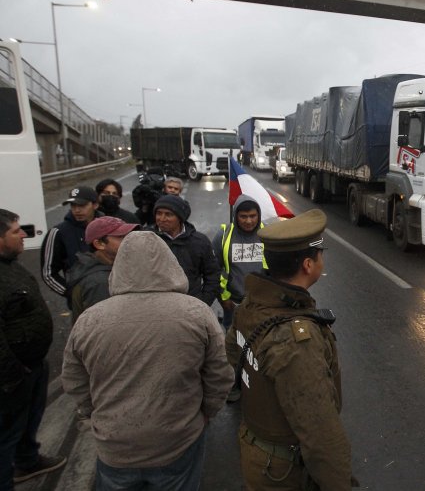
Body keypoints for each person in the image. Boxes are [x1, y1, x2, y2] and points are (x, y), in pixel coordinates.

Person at [61, 231, 233, 491]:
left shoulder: (90, 320)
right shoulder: (197, 314)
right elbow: (220, 375)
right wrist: (206, 413)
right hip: (179, 439)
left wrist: (94, 414)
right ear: (169, 263)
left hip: (115, 445)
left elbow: (74, 379)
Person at [225, 209, 353, 490]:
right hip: (284, 471)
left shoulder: (250, 305)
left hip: (256, 448)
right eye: (320, 254)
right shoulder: (296, 339)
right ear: (309, 264)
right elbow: (319, 432)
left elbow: (233, 358)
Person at [0, 209, 67, 488]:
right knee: (7, 433)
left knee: (28, 422)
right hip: (14, 374)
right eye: (16, 231)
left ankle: (27, 461)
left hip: (32, 365)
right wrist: (15, 373)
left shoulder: (9, 264)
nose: (24, 235)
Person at [212, 195, 267, 403]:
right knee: (234, 349)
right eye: (243, 216)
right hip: (232, 304)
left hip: (261, 305)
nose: (248, 221)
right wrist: (224, 298)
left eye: (252, 216)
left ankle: (257, 384)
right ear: (236, 215)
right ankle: (234, 384)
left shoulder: (267, 235)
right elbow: (214, 268)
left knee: (260, 347)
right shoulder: (224, 235)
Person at [67, 217, 138, 323]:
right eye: (121, 237)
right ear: (99, 244)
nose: (129, 240)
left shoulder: (102, 268)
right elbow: (104, 326)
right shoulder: (99, 282)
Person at [153, 195, 219, 306]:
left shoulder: (199, 242)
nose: (162, 219)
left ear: (180, 217)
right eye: (159, 213)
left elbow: (212, 274)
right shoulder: (148, 239)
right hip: (157, 307)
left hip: (191, 306)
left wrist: (203, 302)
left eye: (168, 214)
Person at [40, 186, 102, 298]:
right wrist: (73, 294)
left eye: (82, 205)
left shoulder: (108, 227)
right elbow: (48, 273)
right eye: (73, 205)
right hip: (83, 304)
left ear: (95, 205)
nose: (77, 210)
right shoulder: (58, 232)